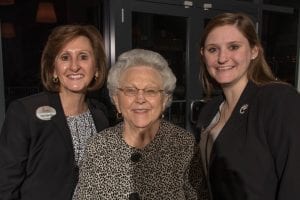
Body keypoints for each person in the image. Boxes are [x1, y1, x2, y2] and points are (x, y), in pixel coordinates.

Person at [74, 49, 208, 199]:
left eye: (150, 91)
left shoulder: (184, 145)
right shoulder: (97, 147)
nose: (140, 98)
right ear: (117, 100)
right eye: (130, 90)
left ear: (164, 100)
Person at [197, 12, 300, 200]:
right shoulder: (209, 110)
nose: (222, 58)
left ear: (254, 51)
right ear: (203, 55)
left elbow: (294, 180)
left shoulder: (278, 99)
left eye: (233, 47)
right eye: (213, 49)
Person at [0, 25, 109, 200]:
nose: (74, 66)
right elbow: (5, 186)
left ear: (96, 68)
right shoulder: (24, 113)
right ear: (53, 70)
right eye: (65, 57)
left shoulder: (101, 116)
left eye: (83, 57)